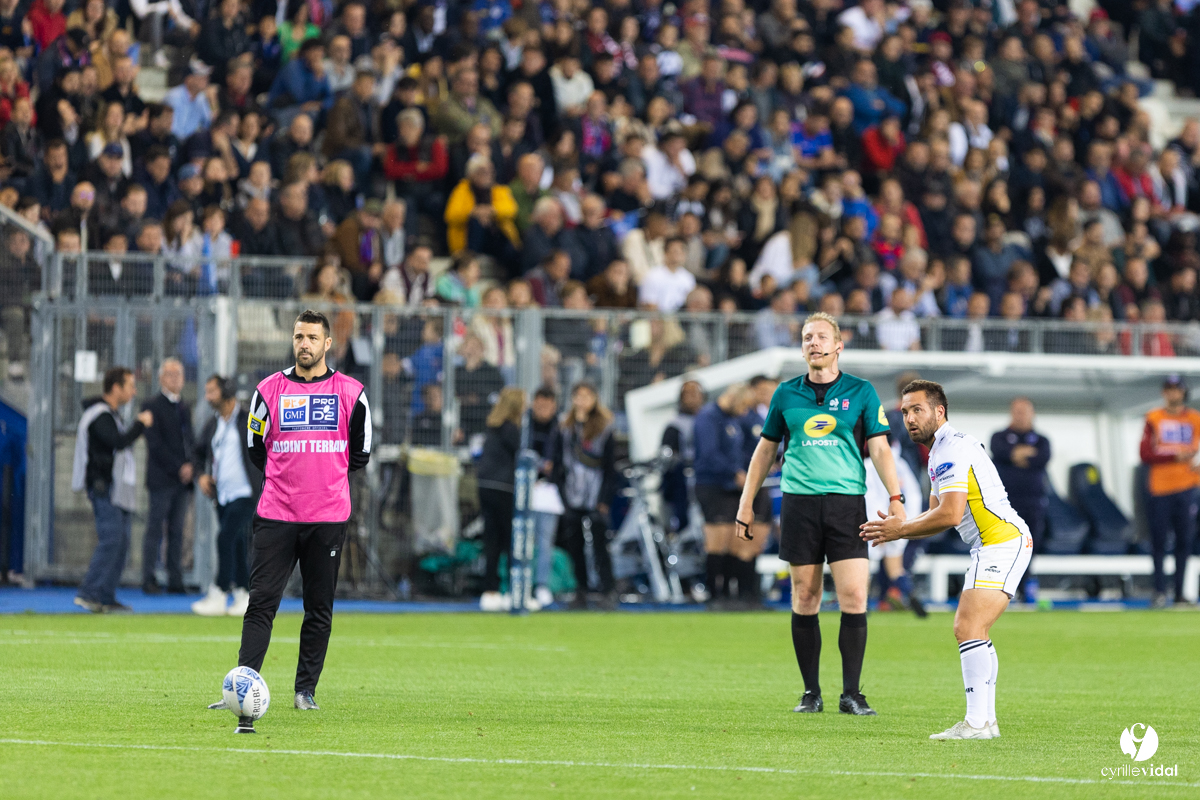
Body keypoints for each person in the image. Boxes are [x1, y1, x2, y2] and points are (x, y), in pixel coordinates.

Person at [736, 312, 904, 716]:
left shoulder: (861, 392)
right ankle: (811, 693)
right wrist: (745, 502)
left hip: (847, 503)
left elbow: (879, 449)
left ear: (838, 346)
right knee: (806, 596)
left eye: (821, 336)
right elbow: (765, 451)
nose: (813, 342)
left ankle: (852, 694)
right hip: (800, 503)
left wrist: (896, 497)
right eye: (807, 337)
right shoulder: (785, 394)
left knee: (854, 595)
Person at [209, 310, 371, 721]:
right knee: (261, 602)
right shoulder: (268, 390)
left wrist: (324, 479)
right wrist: (288, 480)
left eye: (313, 338)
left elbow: (360, 454)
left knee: (319, 606)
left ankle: (305, 690)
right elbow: (255, 447)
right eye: (299, 336)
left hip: (328, 517)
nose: (304, 344)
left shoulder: (352, 392)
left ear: (327, 344)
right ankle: (243, 686)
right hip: (276, 514)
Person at [862, 379, 1033, 740]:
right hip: (992, 544)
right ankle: (984, 723)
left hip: (1001, 541)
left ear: (939, 411)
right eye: (905, 411)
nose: (909, 418)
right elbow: (935, 515)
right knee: (974, 630)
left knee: (967, 627)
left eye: (917, 410)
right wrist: (903, 527)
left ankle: (976, 723)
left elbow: (951, 515)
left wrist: (899, 531)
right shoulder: (941, 450)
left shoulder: (951, 449)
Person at [71, 367, 154, 612]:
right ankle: (89, 591)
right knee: (111, 538)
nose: (134, 391)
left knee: (122, 540)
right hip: (103, 487)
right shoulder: (100, 415)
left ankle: (105, 595)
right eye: (130, 385)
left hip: (115, 488)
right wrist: (139, 425)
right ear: (116, 388)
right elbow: (117, 443)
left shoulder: (111, 415)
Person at [191, 375, 262, 617]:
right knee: (237, 543)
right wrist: (201, 475)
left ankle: (219, 592)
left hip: (246, 493)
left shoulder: (248, 420)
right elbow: (197, 452)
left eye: (212, 391)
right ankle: (243, 593)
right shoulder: (213, 424)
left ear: (226, 392)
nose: (208, 396)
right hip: (222, 496)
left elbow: (265, 447)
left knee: (224, 538)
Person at [549, 381, 617, 609]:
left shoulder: (605, 428)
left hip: (595, 494)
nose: (583, 400)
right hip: (571, 494)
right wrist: (562, 496)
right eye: (579, 395)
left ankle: (607, 589)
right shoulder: (564, 427)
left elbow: (610, 468)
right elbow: (557, 463)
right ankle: (581, 589)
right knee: (574, 545)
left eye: (588, 395)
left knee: (600, 545)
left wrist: (604, 500)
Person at [1139, 375, 1200, 608]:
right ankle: (1159, 591)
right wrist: (1174, 456)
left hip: (1187, 487)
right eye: (1169, 389)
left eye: (1177, 389)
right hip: (1160, 487)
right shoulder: (1154, 417)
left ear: (1184, 392)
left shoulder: (1195, 418)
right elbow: (1145, 454)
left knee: (1185, 541)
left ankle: (1180, 592)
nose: (1173, 394)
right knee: (1158, 541)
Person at [693, 383, 755, 605]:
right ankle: (713, 592)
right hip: (712, 485)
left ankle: (728, 593)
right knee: (716, 540)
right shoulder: (708, 417)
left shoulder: (733, 420)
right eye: (745, 405)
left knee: (731, 539)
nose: (746, 411)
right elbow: (709, 455)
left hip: (730, 487)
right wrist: (734, 472)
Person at [140, 358, 195, 595]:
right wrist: (179, 467)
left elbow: (189, 441)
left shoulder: (184, 407)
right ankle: (148, 577)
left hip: (182, 482)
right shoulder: (150, 405)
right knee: (155, 529)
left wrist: (191, 465)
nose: (175, 379)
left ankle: (175, 579)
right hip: (162, 479)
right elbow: (155, 444)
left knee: (177, 530)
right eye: (170, 374)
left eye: (179, 374)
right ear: (161, 378)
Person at [990, 397, 1051, 603]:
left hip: (1033, 503)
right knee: (1004, 547)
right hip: (1005, 504)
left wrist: (1016, 456)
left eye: (1024, 411)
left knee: (1029, 547)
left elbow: (1041, 458)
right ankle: (1000, 590)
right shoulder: (999, 436)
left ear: (1032, 413)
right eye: (1017, 411)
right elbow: (1001, 453)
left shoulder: (1042, 440)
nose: (1020, 415)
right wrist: (1023, 455)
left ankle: (1024, 589)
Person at [476, 387, 526, 612]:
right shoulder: (511, 429)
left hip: (485, 485)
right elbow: (521, 456)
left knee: (491, 540)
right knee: (508, 541)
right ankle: (511, 591)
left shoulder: (492, 426)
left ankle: (490, 590)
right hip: (504, 487)